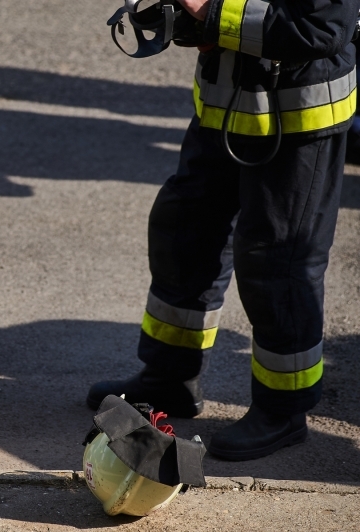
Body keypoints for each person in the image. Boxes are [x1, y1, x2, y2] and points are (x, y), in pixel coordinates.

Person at [87, 0, 359, 461]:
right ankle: (171, 378)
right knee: (184, 235)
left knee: (277, 262)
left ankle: (282, 411)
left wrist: (209, 11)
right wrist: (177, 17)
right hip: (226, 107)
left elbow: (319, 28)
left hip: (299, 120)